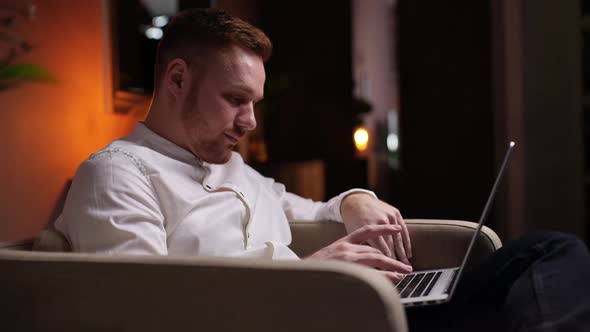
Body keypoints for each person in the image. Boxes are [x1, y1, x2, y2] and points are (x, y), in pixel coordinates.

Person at [55, 8, 590, 332]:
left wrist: (354, 199)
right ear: (176, 78)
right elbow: (140, 307)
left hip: (346, 311)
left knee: (548, 252)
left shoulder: (236, 168)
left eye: (254, 102)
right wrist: (310, 272)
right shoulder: (117, 174)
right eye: (236, 99)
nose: (250, 121)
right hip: (300, 319)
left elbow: (309, 208)